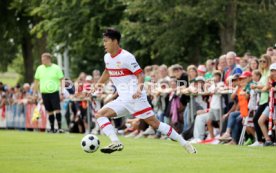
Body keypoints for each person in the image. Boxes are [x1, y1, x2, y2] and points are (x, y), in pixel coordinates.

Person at [93, 28, 197, 154]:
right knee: (100, 115)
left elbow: (140, 75)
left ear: (115, 41)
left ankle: (184, 143)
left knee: (155, 124)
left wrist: (138, 89)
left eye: (106, 41)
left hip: (135, 97)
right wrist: (97, 86)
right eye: (103, 41)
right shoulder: (107, 57)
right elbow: (107, 71)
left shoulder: (127, 57)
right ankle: (116, 142)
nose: (104, 44)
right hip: (123, 98)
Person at [34, 53, 64, 133]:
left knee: (57, 110)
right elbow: (36, 81)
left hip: (54, 92)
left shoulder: (56, 68)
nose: (42, 61)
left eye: (44, 60)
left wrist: (62, 92)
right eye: (42, 60)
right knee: (49, 111)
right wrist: (35, 93)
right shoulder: (39, 68)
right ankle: (52, 128)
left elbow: (62, 80)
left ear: (48, 59)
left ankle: (60, 128)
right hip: (44, 93)